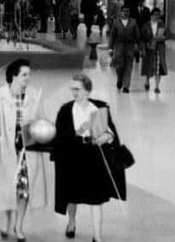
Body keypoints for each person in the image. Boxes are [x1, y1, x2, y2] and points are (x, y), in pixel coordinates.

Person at [53, 74, 125, 242]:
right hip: (73, 155)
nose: (74, 93)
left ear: (87, 90)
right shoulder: (65, 110)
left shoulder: (98, 108)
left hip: (93, 155)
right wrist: (76, 132)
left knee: (96, 198)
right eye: (72, 89)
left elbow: (110, 132)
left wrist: (106, 137)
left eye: (77, 89)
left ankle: (97, 236)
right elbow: (60, 137)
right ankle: (71, 222)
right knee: (71, 195)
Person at [0, 59, 47, 242]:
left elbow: (42, 121)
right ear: (14, 76)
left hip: (28, 152)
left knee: (24, 190)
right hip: (7, 151)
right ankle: (7, 221)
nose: (28, 78)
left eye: (29, 74)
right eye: (24, 75)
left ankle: (19, 225)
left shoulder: (35, 96)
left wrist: (41, 133)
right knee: (7, 188)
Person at [108, 6, 140, 93]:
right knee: (119, 65)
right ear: (121, 12)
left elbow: (137, 35)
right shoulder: (116, 22)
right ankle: (119, 78)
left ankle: (126, 86)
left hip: (130, 46)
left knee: (129, 66)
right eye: (124, 11)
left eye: (127, 11)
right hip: (119, 45)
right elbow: (112, 36)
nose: (126, 13)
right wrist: (110, 48)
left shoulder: (133, 22)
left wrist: (138, 45)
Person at [140, 8, 168, 93]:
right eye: (154, 14)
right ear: (151, 15)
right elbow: (142, 36)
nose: (156, 16)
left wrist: (162, 37)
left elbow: (167, 35)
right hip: (149, 47)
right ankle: (147, 81)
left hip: (159, 48)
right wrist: (145, 44)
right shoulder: (146, 25)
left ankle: (157, 86)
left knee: (159, 67)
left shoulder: (162, 25)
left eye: (158, 15)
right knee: (148, 65)